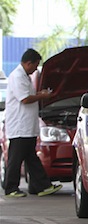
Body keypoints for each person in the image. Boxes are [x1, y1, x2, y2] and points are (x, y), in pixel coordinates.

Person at [3, 49, 62, 198]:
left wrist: (39, 94)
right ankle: (11, 188)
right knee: (16, 158)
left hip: (26, 126)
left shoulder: (25, 76)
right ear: (28, 63)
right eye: (35, 65)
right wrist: (41, 95)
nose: (36, 69)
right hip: (19, 126)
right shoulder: (17, 76)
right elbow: (25, 99)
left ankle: (41, 186)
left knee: (31, 157)